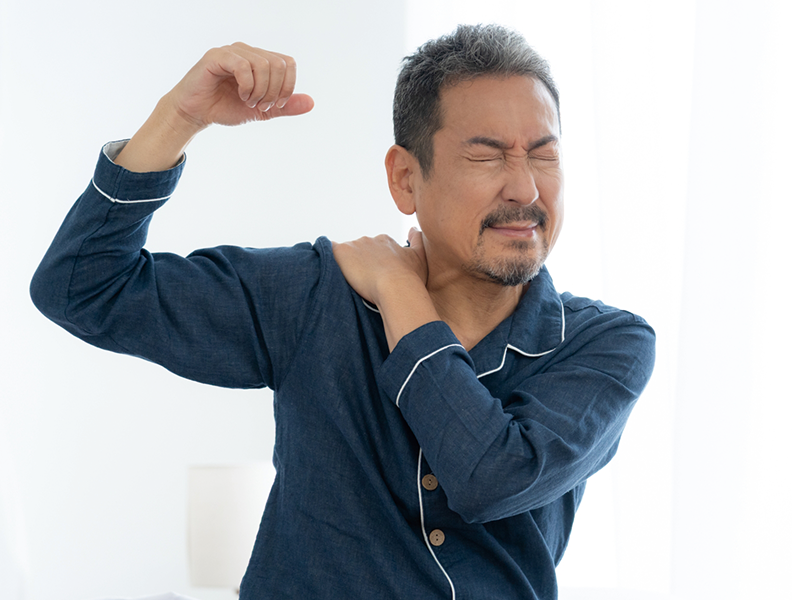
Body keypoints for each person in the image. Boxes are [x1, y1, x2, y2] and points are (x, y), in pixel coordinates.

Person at [31, 24, 655, 600]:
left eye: (543, 154)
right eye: (487, 156)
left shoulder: (606, 344)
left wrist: (399, 290)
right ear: (405, 178)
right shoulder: (314, 295)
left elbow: (491, 476)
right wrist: (179, 117)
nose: (525, 188)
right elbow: (81, 286)